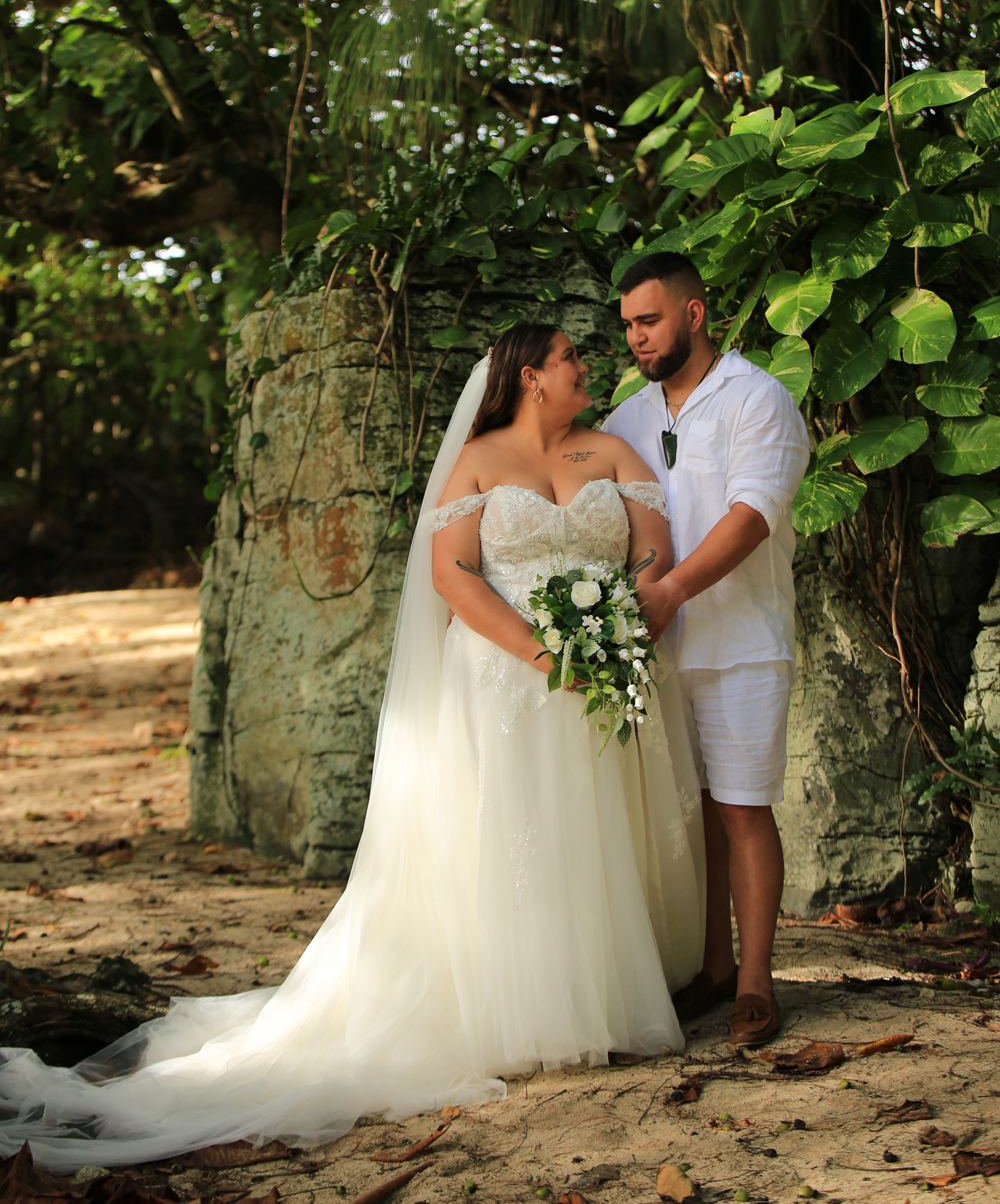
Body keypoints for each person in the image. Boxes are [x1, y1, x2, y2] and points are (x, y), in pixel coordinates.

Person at [0, 323, 705, 1172]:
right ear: (530, 377)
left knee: (589, 833)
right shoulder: (476, 461)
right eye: (570, 358)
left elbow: (652, 549)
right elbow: (452, 574)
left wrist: (616, 625)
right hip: (504, 681)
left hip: (600, 676)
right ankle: (525, 1017)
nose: (586, 367)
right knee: (512, 840)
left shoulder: (613, 452)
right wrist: (544, 653)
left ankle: (605, 1000)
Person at [602, 253, 810, 1048]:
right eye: (628, 324)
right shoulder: (625, 419)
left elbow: (752, 515)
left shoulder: (758, 397)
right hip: (655, 655)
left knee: (742, 809)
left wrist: (671, 591)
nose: (636, 338)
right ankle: (713, 969)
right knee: (692, 819)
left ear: (693, 314)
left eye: (649, 320)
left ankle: (756, 984)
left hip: (741, 640)